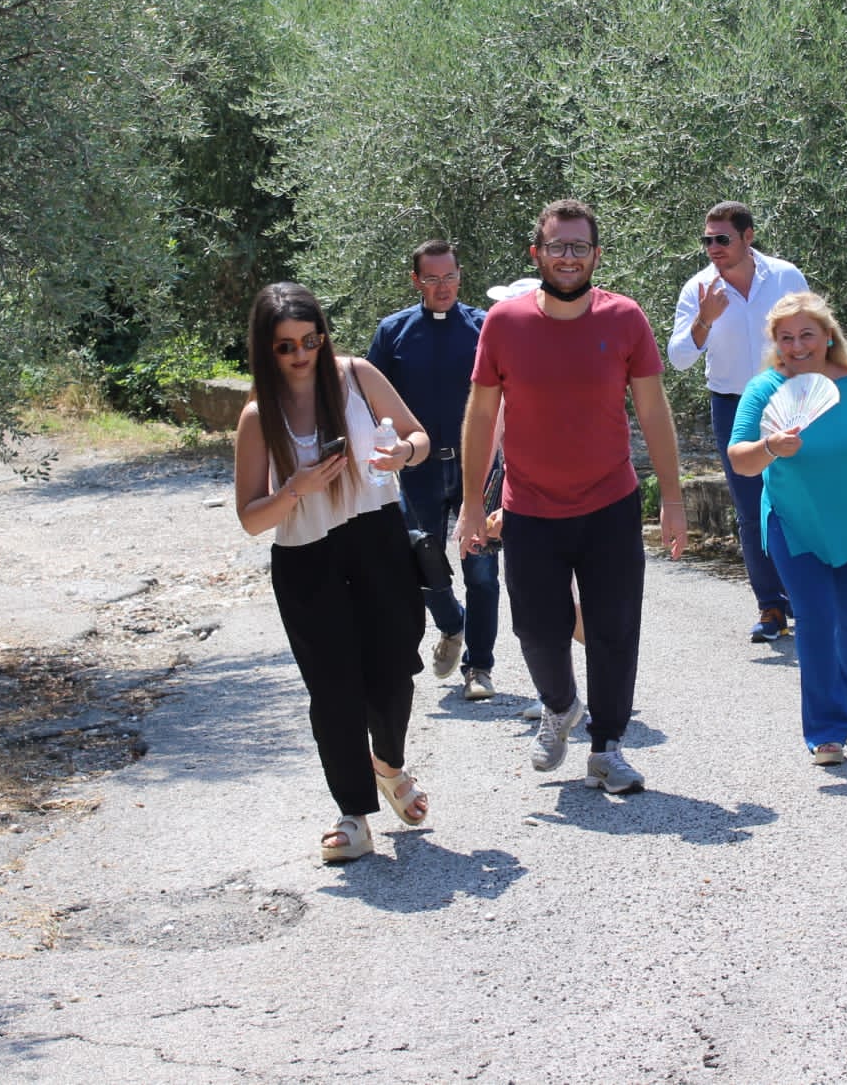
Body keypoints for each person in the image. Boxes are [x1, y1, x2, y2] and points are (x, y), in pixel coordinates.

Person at [455, 199, 688, 794]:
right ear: (536, 253)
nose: (567, 257)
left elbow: (653, 410)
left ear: (596, 255)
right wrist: (471, 504)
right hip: (529, 507)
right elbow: (480, 416)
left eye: (579, 246)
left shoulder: (625, 318)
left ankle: (607, 748)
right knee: (537, 630)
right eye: (557, 246)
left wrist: (673, 499)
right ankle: (559, 706)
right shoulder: (504, 323)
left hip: (610, 503)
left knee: (614, 628)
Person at [233, 283, 435, 863]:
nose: (300, 355)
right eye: (285, 346)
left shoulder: (357, 377)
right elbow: (251, 519)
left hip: (378, 539)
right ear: (266, 350)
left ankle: (388, 766)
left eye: (310, 341)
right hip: (307, 556)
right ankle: (353, 815)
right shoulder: (258, 417)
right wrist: (294, 489)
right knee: (334, 691)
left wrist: (404, 454)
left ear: (323, 337)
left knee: (394, 671)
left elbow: (419, 436)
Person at [726, 293, 847, 763]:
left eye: (806, 335)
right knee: (815, 619)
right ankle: (825, 731)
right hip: (795, 521)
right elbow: (739, 457)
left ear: (828, 335)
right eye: (786, 337)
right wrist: (770, 447)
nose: (797, 346)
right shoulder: (765, 388)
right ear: (775, 342)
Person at [667, 201, 810, 645]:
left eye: (722, 239)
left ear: (748, 237)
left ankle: (809, 600)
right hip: (733, 406)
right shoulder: (698, 289)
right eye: (707, 240)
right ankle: (771, 607)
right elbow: (678, 358)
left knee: (803, 500)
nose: (713, 247)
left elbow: (817, 332)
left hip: (790, 399)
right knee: (750, 510)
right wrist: (704, 320)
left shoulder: (785, 277)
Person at [367, 239, 500, 701]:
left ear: (460, 276)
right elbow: (368, 399)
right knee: (420, 563)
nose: (443, 287)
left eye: (450, 277)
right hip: (418, 469)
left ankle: (479, 667)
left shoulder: (484, 327)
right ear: (415, 281)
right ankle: (452, 623)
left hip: (477, 468)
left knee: (481, 570)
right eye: (432, 278)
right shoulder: (393, 332)